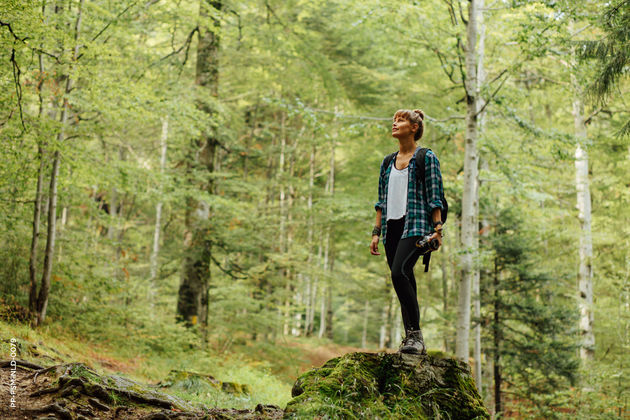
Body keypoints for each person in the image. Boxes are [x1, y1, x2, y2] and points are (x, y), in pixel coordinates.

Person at [370, 109, 445, 354]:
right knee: (405, 280)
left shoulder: (426, 157)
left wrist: (437, 229)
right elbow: (381, 200)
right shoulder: (387, 162)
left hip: (417, 225)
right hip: (393, 228)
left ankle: (415, 336)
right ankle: (412, 341)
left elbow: (435, 195)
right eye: (394, 120)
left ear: (414, 127)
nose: (394, 123)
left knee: (398, 272)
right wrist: (376, 232)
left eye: (401, 120)